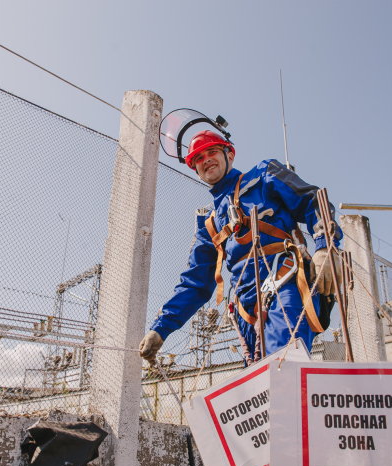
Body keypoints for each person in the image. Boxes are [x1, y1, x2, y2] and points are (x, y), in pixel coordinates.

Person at [139, 130, 341, 364]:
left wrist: (326, 246)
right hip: (246, 311)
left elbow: (313, 200)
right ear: (196, 169)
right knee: (259, 387)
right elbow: (195, 283)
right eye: (199, 159)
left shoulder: (264, 176)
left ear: (230, 154)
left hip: (287, 282)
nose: (206, 160)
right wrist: (161, 328)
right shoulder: (210, 224)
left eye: (212, 152)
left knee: (281, 366)